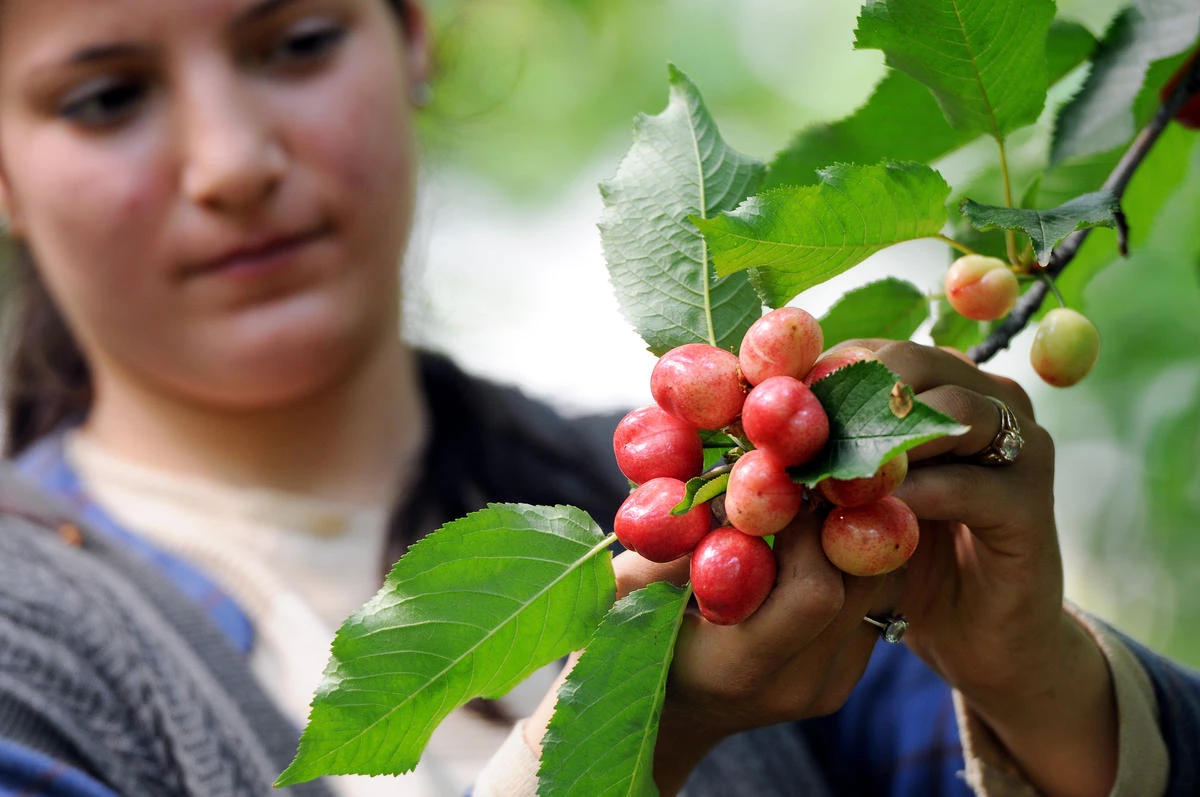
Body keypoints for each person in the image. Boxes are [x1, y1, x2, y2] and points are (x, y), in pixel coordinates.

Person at [0, 1, 1195, 796]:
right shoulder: (25, 645)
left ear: (412, 36)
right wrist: (634, 733)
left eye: (298, 39)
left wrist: (1034, 673)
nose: (233, 162)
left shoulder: (739, 524)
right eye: (105, 98)